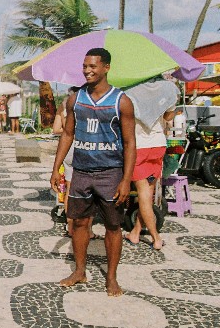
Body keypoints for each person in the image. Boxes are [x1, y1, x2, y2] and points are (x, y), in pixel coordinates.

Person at [50, 47, 136, 297]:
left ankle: (111, 278)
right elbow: (68, 133)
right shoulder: (76, 99)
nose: (87, 70)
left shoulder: (121, 101)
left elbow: (130, 143)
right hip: (82, 171)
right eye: (85, 66)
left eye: (93, 66)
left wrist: (126, 180)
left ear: (106, 67)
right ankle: (79, 271)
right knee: (78, 222)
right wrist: (56, 168)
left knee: (112, 225)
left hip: (110, 172)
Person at [124, 107, 177, 250]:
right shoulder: (162, 92)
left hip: (140, 146)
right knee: (147, 195)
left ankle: (156, 238)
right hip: (158, 145)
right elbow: (168, 117)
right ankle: (135, 233)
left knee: (144, 196)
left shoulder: (132, 92)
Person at [53, 86, 98, 240]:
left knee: (71, 190)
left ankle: (70, 226)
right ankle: (88, 229)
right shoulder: (91, 103)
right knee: (90, 189)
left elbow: (56, 129)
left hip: (68, 148)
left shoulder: (65, 103)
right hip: (85, 147)